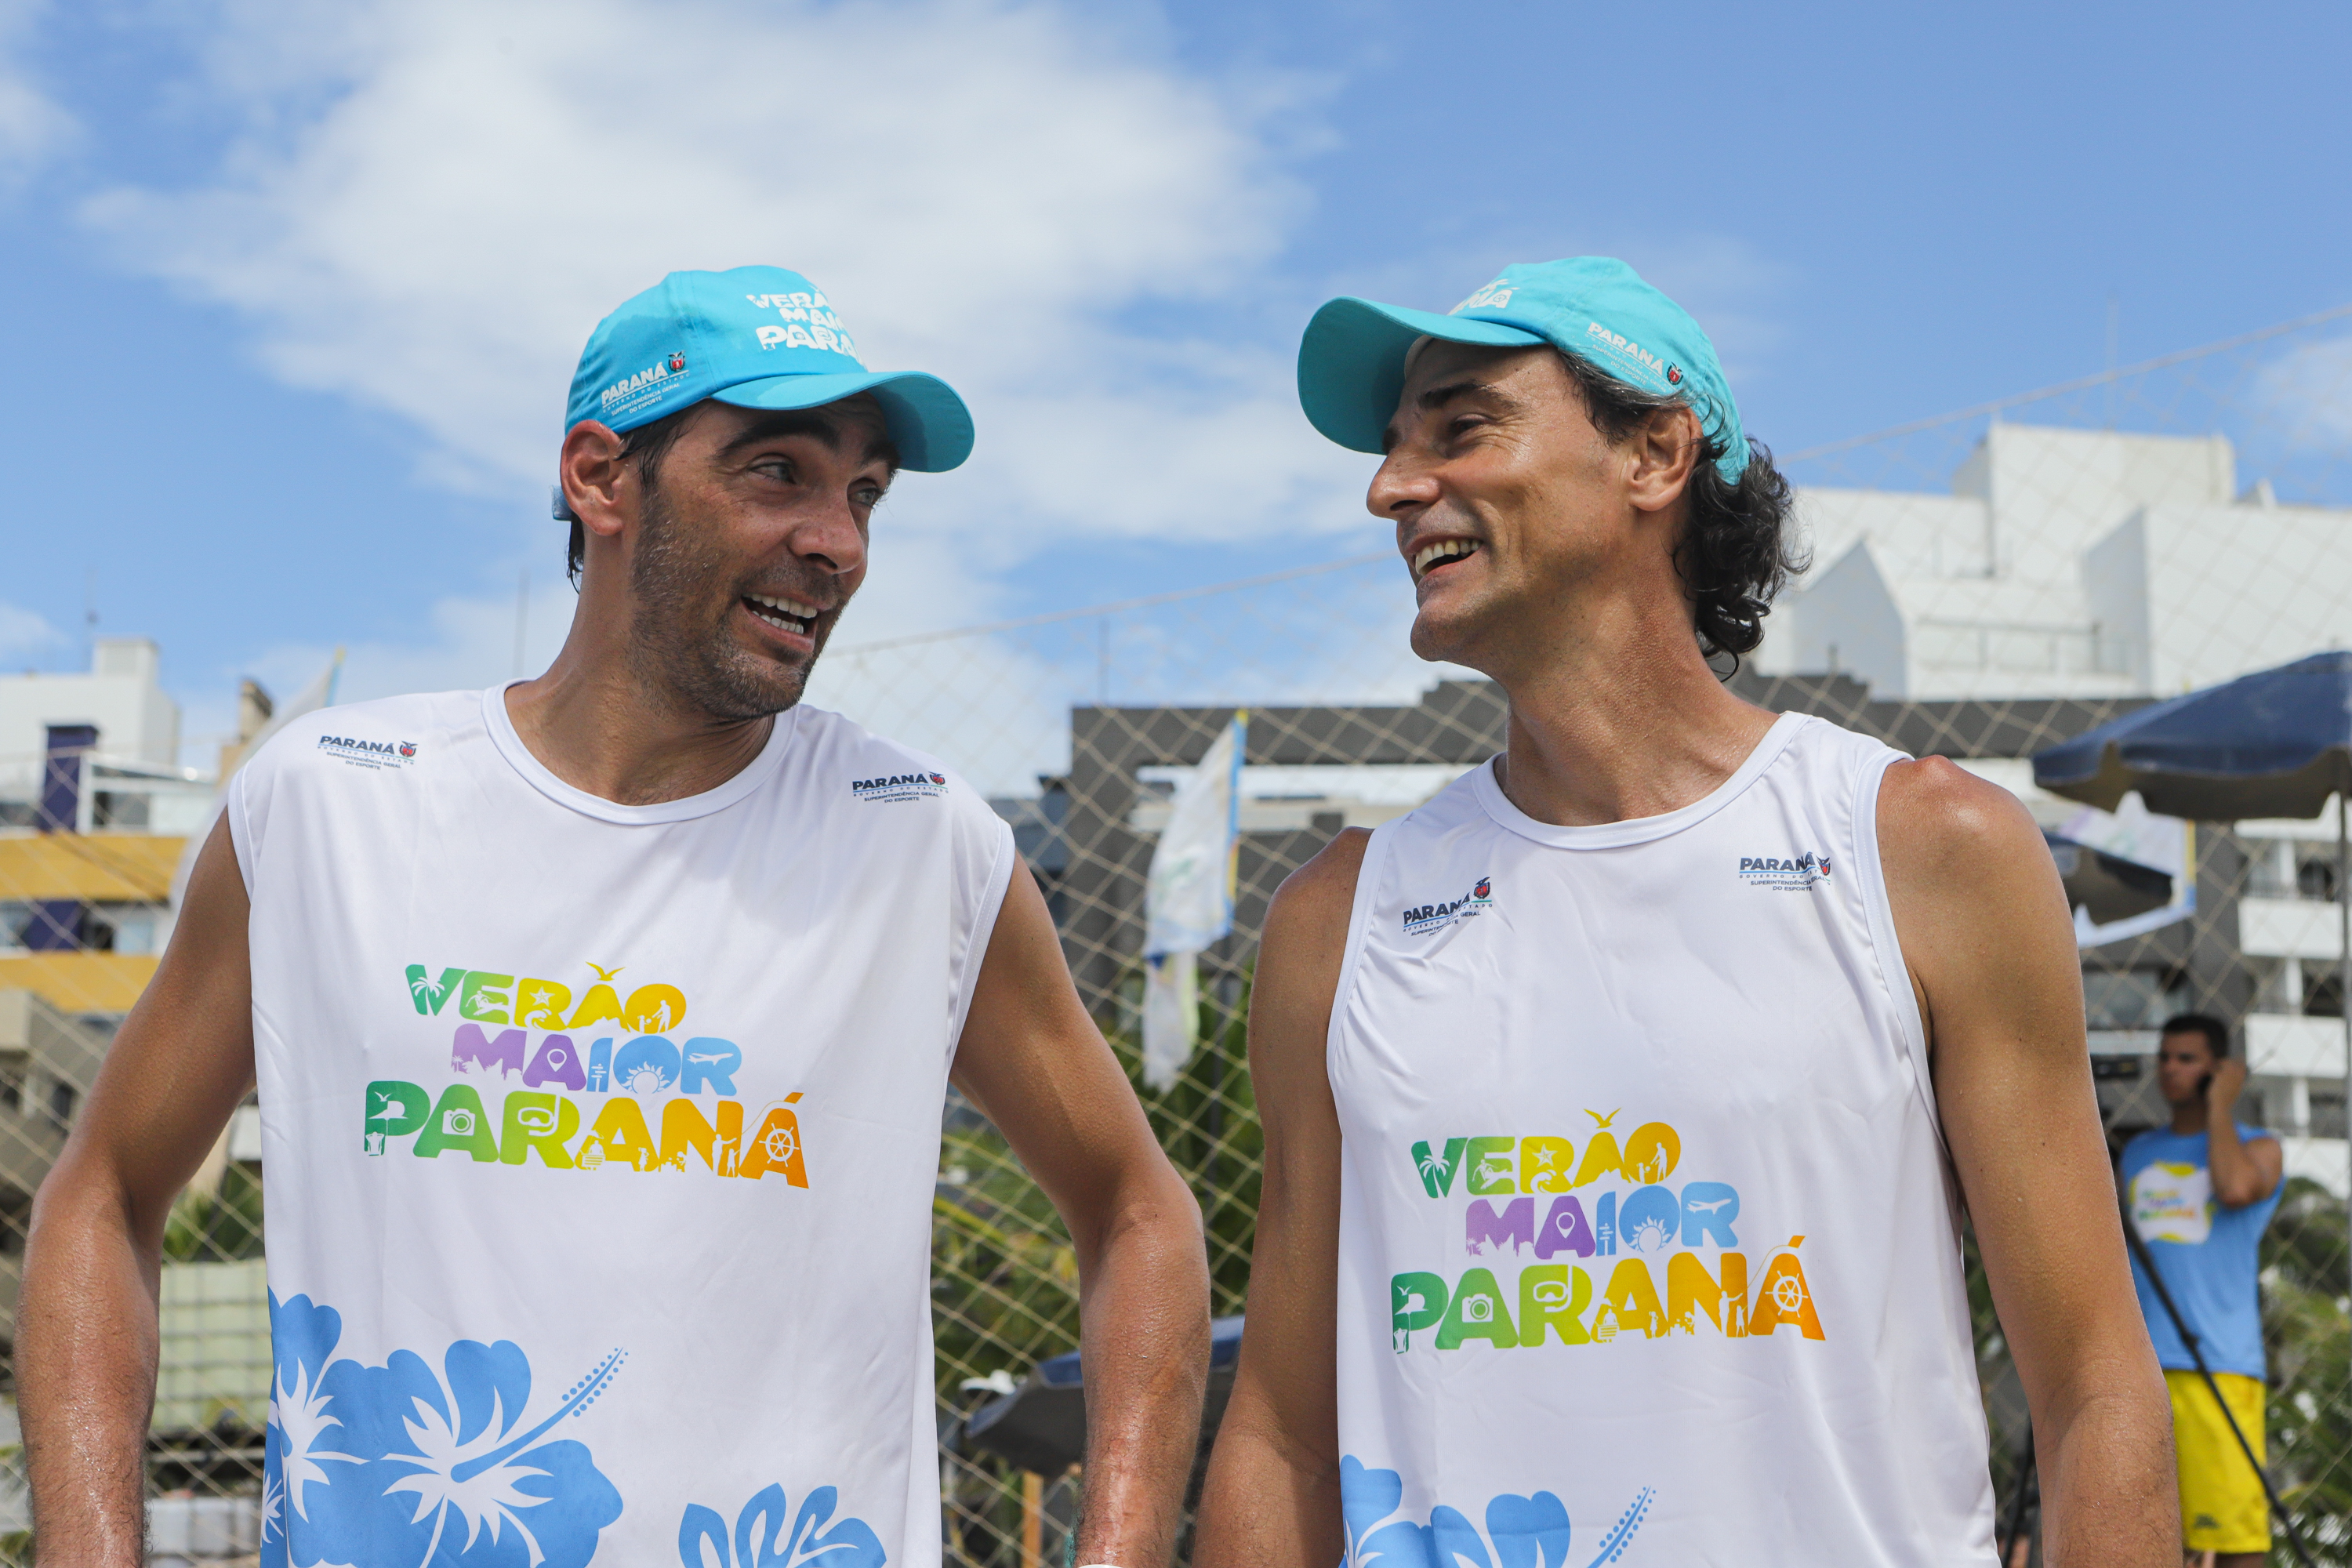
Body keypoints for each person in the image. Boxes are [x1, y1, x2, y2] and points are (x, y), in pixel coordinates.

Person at [18, 266, 1210, 1568]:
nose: (839, 540)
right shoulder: (330, 808)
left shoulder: (923, 844)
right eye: (779, 474)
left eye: (864, 493)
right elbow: (105, 1192)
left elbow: (1142, 1214)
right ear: (602, 479)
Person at [1196, 257, 2176, 1565]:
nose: (1392, 487)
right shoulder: (1340, 918)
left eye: (1461, 426)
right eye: (1392, 449)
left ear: (1656, 453)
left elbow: (2096, 1390)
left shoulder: (1926, 851)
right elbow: (1281, 1435)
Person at [2122, 1014, 2285, 1566]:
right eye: (2164, 1057)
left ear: (2219, 1070)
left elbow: (2236, 1188)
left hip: (2217, 1362)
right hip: (2141, 1365)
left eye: (2187, 1059)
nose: (2170, 1069)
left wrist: (2220, 1106)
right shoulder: (2137, 1152)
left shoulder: (2259, 1148)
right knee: (2154, 1532)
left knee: (2234, 1537)